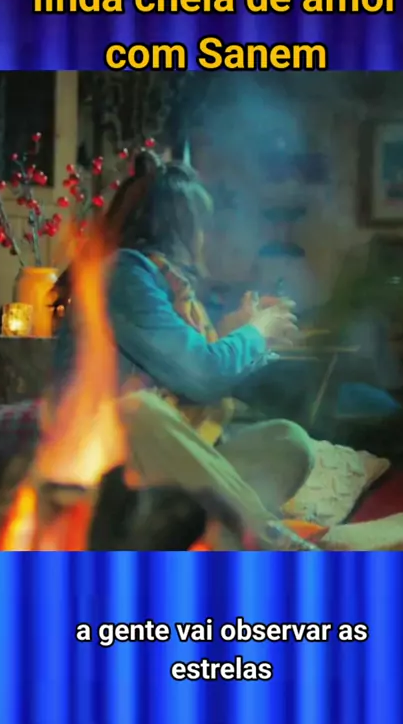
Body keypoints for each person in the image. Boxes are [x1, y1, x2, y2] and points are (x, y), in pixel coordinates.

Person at [53, 149, 318, 550]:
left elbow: (186, 360)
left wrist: (236, 331)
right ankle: (268, 538)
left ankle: (211, 531)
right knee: (137, 410)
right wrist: (257, 332)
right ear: (179, 227)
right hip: (109, 472)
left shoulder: (166, 285)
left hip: (163, 475)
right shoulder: (123, 275)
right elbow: (201, 374)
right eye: (202, 226)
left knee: (289, 442)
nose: (206, 239)